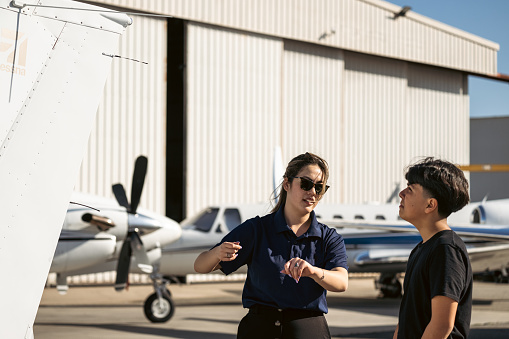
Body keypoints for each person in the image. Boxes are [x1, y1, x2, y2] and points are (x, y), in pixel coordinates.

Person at [194, 152, 349, 339]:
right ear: (287, 184)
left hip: (308, 331)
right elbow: (200, 265)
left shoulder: (329, 237)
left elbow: (342, 282)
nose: (313, 193)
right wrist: (218, 252)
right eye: (306, 184)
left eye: (320, 187)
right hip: (259, 330)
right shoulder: (256, 229)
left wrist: (313, 272)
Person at [393, 157, 473, 339]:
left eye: (410, 189)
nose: (402, 193)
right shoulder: (422, 248)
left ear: (431, 205)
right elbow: (408, 316)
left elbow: (441, 325)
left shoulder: (446, 250)